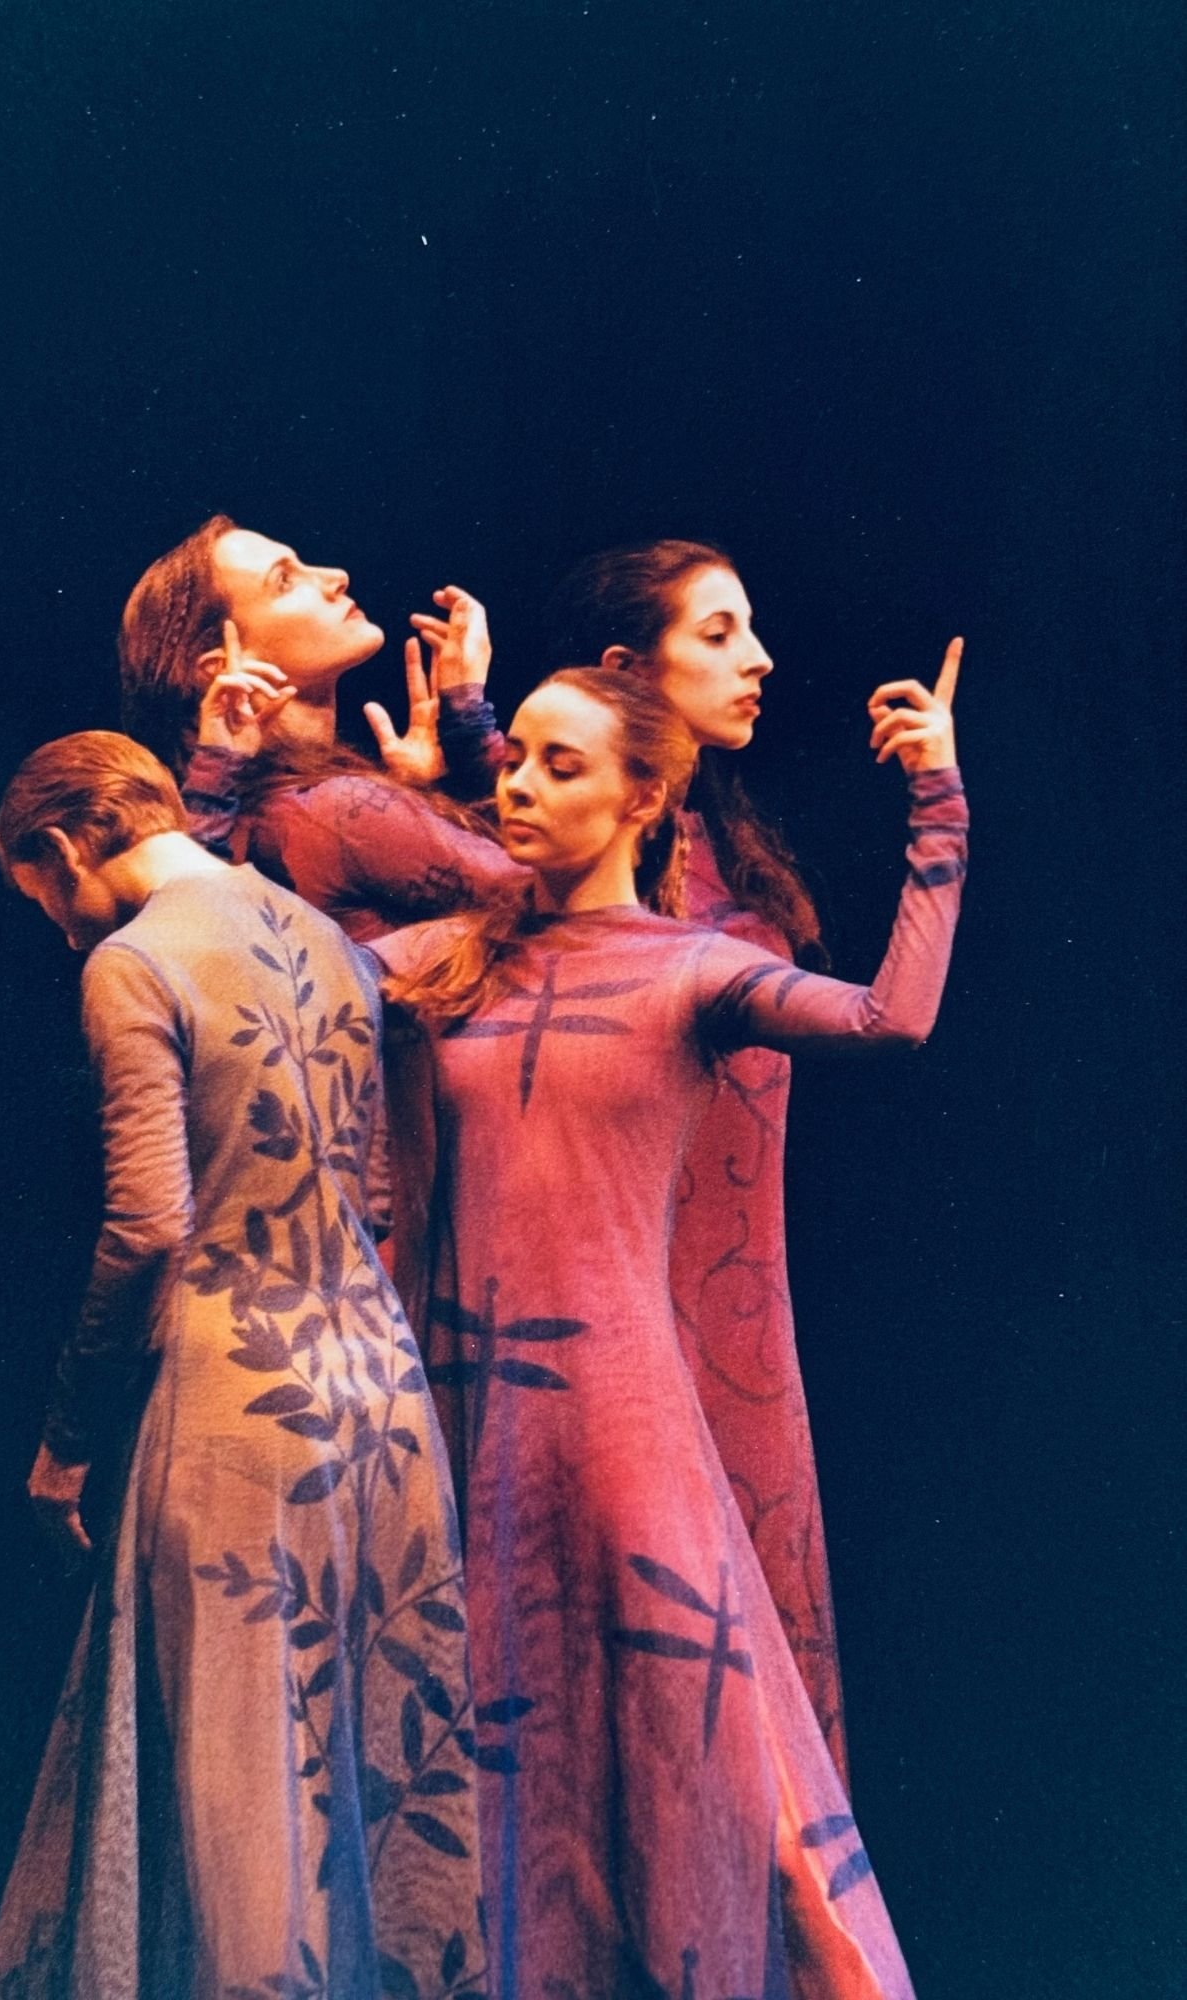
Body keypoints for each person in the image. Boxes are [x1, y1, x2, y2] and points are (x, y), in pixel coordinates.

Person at [370, 666, 967, 1999]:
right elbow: (270, 971)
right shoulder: (449, 954)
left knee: (727, 1763)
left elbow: (891, 1019)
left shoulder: (694, 967)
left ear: (645, 796)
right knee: (503, 1781)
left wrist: (938, 802)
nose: (520, 786)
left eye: (560, 765)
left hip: (620, 1425)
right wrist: (225, 781)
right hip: (472, 1425)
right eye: (514, 757)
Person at [437, 540, 961, 1782]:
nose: (759, 658)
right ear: (629, 668)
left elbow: (882, 1019)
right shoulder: (576, 872)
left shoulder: (715, 850)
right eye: (718, 632)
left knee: (732, 1682)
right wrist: (468, 730)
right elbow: (516, 880)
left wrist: (939, 795)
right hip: (605, 1322)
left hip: (731, 1306)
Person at [0, 733, 487, 2000]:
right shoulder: (327, 940)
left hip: (237, 1398)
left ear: (64, 847)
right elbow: (375, 1190)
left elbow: (149, 1225)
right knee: (370, 1782)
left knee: (242, 1792)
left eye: (40, 894)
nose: (56, 923)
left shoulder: (133, 960)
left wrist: (67, 1437)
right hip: (379, 1389)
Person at [118, 515, 523, 942]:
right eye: (284, 581)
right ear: (223, 666)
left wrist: (422, 793)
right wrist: (471, 728)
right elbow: (563, 897)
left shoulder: (266, 815)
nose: (336, 576)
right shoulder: (335, 810)